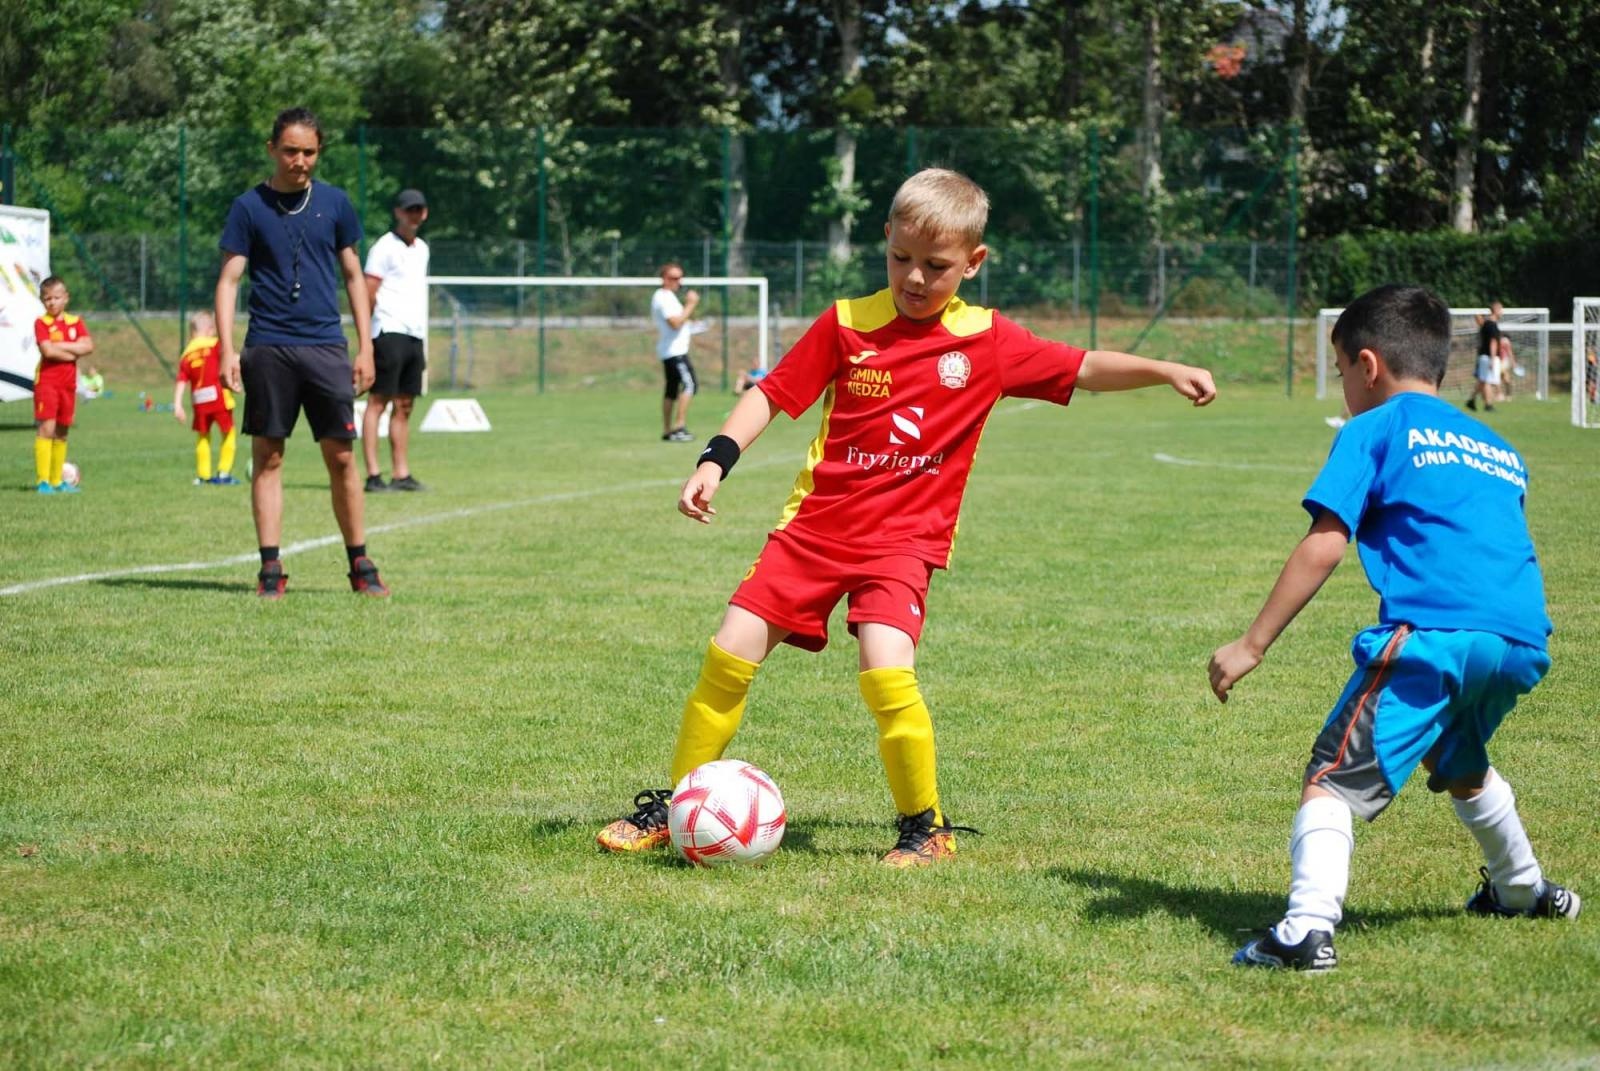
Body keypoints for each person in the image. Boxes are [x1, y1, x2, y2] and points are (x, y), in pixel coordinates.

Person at [598, 168, 1217, 867]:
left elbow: (1083, 368)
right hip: (812, 532)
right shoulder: (846, 323)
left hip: (901, 544)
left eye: (937, 266)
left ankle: (925, 824)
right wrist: (715, 459)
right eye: (902, 259)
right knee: (727, 653)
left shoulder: (986, 340)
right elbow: (771, 396)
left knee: (885, 668)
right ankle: (679, 799)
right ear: (885, 237)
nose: (915, 278)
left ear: (973, 263)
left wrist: (1164, 367)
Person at [1210, 283, 1578, 973]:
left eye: (1344, 371)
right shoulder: (1498, 444)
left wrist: (1250, 643)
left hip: (1436, 633)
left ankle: (1306, 926)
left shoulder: (1373, 428)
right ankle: (1523, 889)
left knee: (1330, 777)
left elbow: (1326, 541)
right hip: (1521, 639)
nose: (1345, 388)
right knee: (1457, 757)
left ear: (1368, 365)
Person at [214, 106, 388, 599]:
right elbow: (228, 281)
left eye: (309, 152)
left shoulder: (335, 203)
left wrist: (366, 347)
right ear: (272, 149)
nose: (300, 161)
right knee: (268, 458)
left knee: (341, 458)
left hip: (325, 347)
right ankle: (271, 567)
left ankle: (360, 564)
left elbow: (354, 276)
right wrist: (228, 350)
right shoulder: (248, 207)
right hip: (267, 347)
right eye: (290, 151)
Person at [362, 188, 431, 493]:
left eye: (419, 209)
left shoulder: (423, 249)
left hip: (415, 335)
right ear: (398, 212)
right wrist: (367, 338)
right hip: (389, 332)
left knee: (404, 405)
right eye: (409, 209)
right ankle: (373, 474)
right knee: (378, 402)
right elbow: (368, 292)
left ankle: (401, 473)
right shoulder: (383, 247)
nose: (414, 215)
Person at [31, 276, 93, 494]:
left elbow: (88, 346)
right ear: (42, 301)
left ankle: (58, 481)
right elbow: (47, 351)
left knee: (62, 431)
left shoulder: (75, 322)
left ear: (66, 298)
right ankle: (43, 481)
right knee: (46, 429)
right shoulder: (41, 323)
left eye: (56, 297)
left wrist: (61, 346)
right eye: (47, 299)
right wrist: (73, 348)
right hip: (47, 383)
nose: (52, 302)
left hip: (68, 384)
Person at [172, 310, 241, 486]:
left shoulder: (187, 354)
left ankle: (203, 476)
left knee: (203, 436)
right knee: (228, 434)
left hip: (199, 402)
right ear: (210, 329)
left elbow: (181, 380)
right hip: (219, 398)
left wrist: (177, 404)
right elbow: (231, 360)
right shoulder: (216, 345)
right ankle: (224, 473)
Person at [651, 262, 700, 442]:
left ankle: (667, 430)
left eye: (680, 278)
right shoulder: (662, 297)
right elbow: (674, 323)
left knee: (671, 390)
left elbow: (679, 322)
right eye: (673, 278)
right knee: (690, 385)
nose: (678, 282)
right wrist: (691, 304)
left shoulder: (669, 297)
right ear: (664, 279)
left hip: (671, 350)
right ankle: (679, 427)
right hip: (674, 352)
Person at [1467, 301, 1502, 412]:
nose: (1502, 312)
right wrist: (1492, 358)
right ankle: (1488, 405)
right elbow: (1493, 342)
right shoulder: (1491, 325)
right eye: (1501, 309)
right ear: (1495, 310)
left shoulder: (1486, 324)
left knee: (1482, 380)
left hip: (1483, 356)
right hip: (1488, 357)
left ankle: (1471, 401)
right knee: (1487, 381)